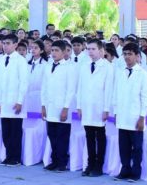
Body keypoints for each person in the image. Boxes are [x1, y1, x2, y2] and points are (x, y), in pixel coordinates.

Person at [109, 42, 147, 181]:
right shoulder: (120, 73)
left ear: (137, 56)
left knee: (137, 147)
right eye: (125, 54)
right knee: (123, 146)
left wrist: (142, 117)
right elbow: (115, 94)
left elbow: (145, 97)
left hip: (135, 116)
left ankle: (136, 172)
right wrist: (116, 113)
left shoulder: (142, 74)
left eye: (130, 54)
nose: (127, 57)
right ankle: (125, 169)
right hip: (122, 114)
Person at [76, 39, 111, 176]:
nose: (90, 52)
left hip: (99, 106)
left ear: (101, 50)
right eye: (88, 49)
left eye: (93, 49)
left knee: (100, 136)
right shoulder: (84, 65)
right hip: (86, 106)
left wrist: (106, 109)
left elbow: (108, 90)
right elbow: (80, 87)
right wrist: (79, 106)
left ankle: (99, 166)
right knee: (89, 136)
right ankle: (90, 164)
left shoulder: (107, 67)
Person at [41, 40, 76, 172]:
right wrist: (43, 106)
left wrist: (66, 108)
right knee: (52, 135)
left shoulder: (69, 68)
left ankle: (62, 162)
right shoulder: (48, 66)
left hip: (62, 107)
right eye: (52, 50)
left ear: (63, 52)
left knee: (62, 137)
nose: (54, 53)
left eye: (57, 51)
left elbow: (71, 90)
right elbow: (44, 87)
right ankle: (54, 160)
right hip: (49, 107)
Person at [0, 33, 28, 166]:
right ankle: (8, 156)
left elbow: (24, 82)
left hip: (15, 102)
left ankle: (15, 158)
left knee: (15, 132)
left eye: (8, 43)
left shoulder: (21, 61)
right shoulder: (0, 60)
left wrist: (20, 101)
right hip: (3, 102)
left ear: (15, 45)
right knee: (6, 132)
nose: (5, 46)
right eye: (4, 43)